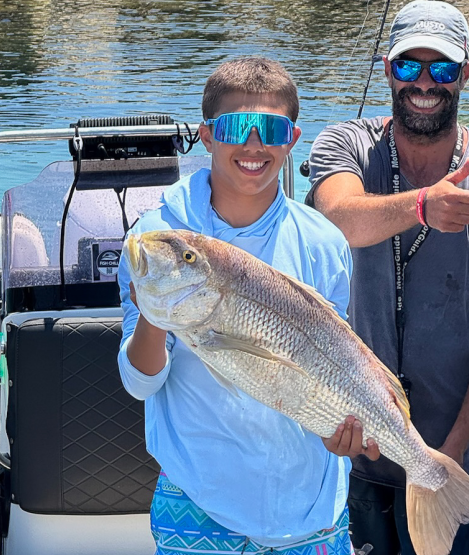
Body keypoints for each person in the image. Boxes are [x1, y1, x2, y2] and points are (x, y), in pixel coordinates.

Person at [306, 1, 469, 554]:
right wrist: (423, 206)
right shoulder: (344, 145)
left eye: (440, 69)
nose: (424, 83)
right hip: (356, 462)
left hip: (456, 459)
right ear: (388, 69)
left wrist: (450, 453)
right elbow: (339, 216)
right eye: (408, 66)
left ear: (464, 74)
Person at [117, 56, 355, 555]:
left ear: (292, 137)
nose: (253, 144)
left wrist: (345, 431)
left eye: (270, 128)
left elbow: (338, 370)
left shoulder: (324, 243)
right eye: (235, 126)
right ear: (207, 135)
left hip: (309, 506)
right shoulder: (154, 242)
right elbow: (140, 383)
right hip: (197, 498)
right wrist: (153, 319)